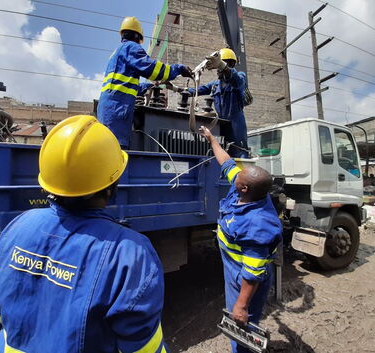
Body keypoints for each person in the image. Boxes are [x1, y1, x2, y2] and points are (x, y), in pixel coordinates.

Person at [0, 115, 169, 352]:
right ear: (112, 184)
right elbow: (144, 347)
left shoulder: (17, 227)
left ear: (47, 181)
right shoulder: (129, 254)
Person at [200, 125, 282, 353]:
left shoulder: (259, 223)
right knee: (238, 326)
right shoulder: (244, 190)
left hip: (244, 280)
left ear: (244, 188)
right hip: (232, 270)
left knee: (241, 327)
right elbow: (226, 162)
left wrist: (241, 305)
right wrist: (211, 139)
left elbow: (253, 272)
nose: (236, 173)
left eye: (240, 175)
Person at [97, 16, 192, 148]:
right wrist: (179, 69)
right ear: (137, 36)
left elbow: (124, 85)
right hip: (118, 110)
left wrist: (149, 86)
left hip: (108, 109)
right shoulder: (132, 47)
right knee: (117, 152)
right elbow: (153, 70)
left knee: (108, 150)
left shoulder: (117, 52)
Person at [167, 48, 248, 158]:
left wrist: (222, 65)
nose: (217, 70)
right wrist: (175, 88)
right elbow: (195, 91)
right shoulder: (215, 85)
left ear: (231, 64)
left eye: (221, 65)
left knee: (239, 154)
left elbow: (236, 81)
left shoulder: (240, 77)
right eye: (217, 66)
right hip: (220, 127)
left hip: (236, 128)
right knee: (221, 156)